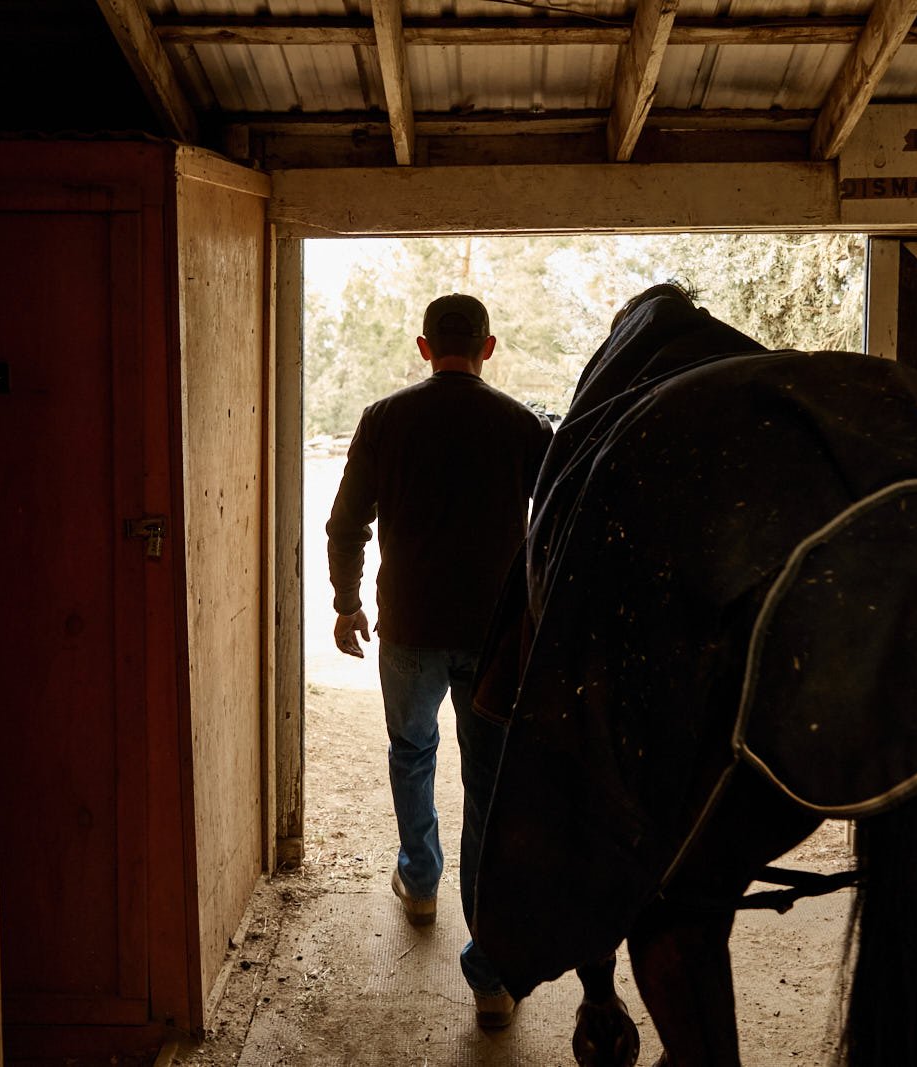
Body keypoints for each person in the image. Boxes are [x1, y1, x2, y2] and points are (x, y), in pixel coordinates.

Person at [325, 293, 553, 1029]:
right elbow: (558, 527)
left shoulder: (384, 418)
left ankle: (419, 882)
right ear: (490, 348)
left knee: (411, 751)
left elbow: (346, 522)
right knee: (488, 785)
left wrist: (346, 601)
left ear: (424, 348)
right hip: (495, 638)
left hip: (410, 628)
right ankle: (489, 977)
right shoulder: (523, 426)